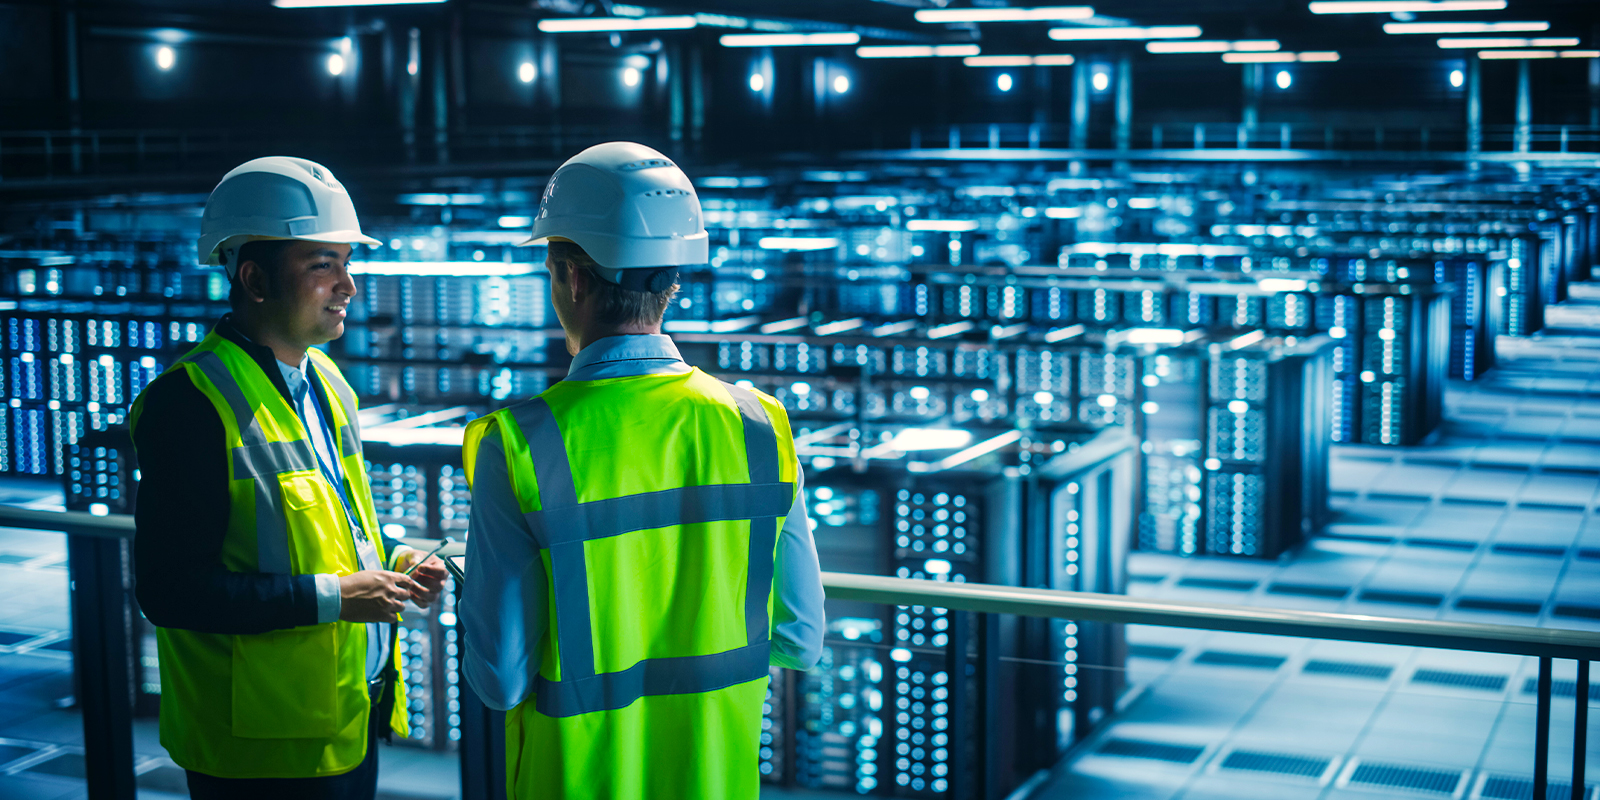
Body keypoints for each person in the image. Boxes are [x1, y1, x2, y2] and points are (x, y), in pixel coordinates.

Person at [459, 142, 826, 799]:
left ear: (572, 276)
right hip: (715, 780)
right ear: (673, 279)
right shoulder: (759, 427)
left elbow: (499, 680)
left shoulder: (517, 443)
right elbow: (799, 637)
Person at [130, 156, 449, 799]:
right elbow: (170, 592)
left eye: (347, 263)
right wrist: (335, 596)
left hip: (343, 726)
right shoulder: (191, 403)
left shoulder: (326, 383)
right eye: (322, 264)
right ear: (254, 278)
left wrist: (394, 561)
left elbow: (326, 525)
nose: (348, 286)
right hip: (254, 756)